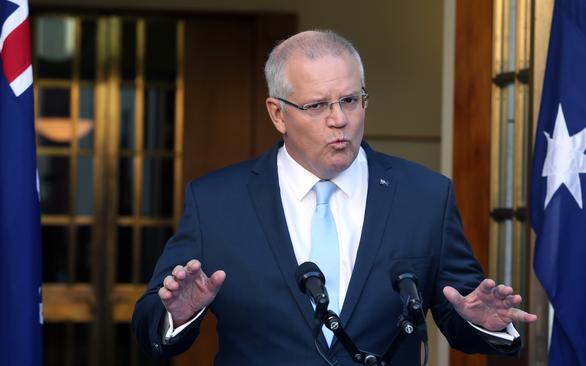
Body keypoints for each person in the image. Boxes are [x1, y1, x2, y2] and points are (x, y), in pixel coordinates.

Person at [132, 30, 537, 365]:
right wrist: (176, 314)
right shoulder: (217, 201)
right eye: (317, 105)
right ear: (278, 114)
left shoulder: (425, 195)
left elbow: (458, 309)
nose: (339, 118)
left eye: (349, 100)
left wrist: (486, 322)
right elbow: (149, 324)